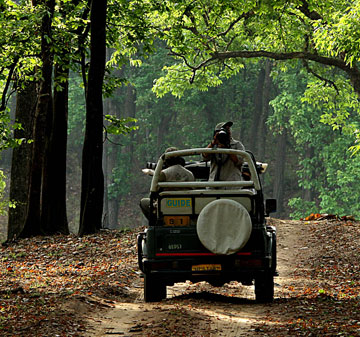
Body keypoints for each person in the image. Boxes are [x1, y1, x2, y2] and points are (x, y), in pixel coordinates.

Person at [140, 147, 195, 219]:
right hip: (187, 207)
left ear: (166, 161)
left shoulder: (164, 173)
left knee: (144, 202)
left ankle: (157, 224)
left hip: (166, 207)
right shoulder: (190, 174)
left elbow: (154, 193)